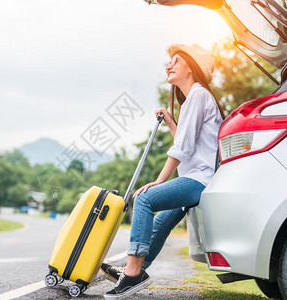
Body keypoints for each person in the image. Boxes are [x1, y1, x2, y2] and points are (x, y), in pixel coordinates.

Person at [102, 44, 225, 300]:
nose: (169, 65)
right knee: (159, 223)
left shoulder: (199, 95)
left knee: (145, 198)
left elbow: (182, 148)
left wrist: (158, 181)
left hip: (200, 180)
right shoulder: (194, 98)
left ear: (191, 67)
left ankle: (133, 274)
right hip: (193, 178)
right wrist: (171, 122)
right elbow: (186, 143)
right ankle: (133, 272)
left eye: (176, 61)